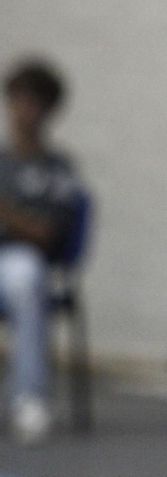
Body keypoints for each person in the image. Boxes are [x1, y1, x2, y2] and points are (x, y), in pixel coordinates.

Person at [0, 58, 83, 445]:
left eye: (34, 101)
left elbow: (49, 235)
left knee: (26, 276)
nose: (24, 110)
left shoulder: (58, 169)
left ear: (50, 110)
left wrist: (6, 212)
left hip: (25, 261)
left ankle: (30, 398)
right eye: (18, 99)